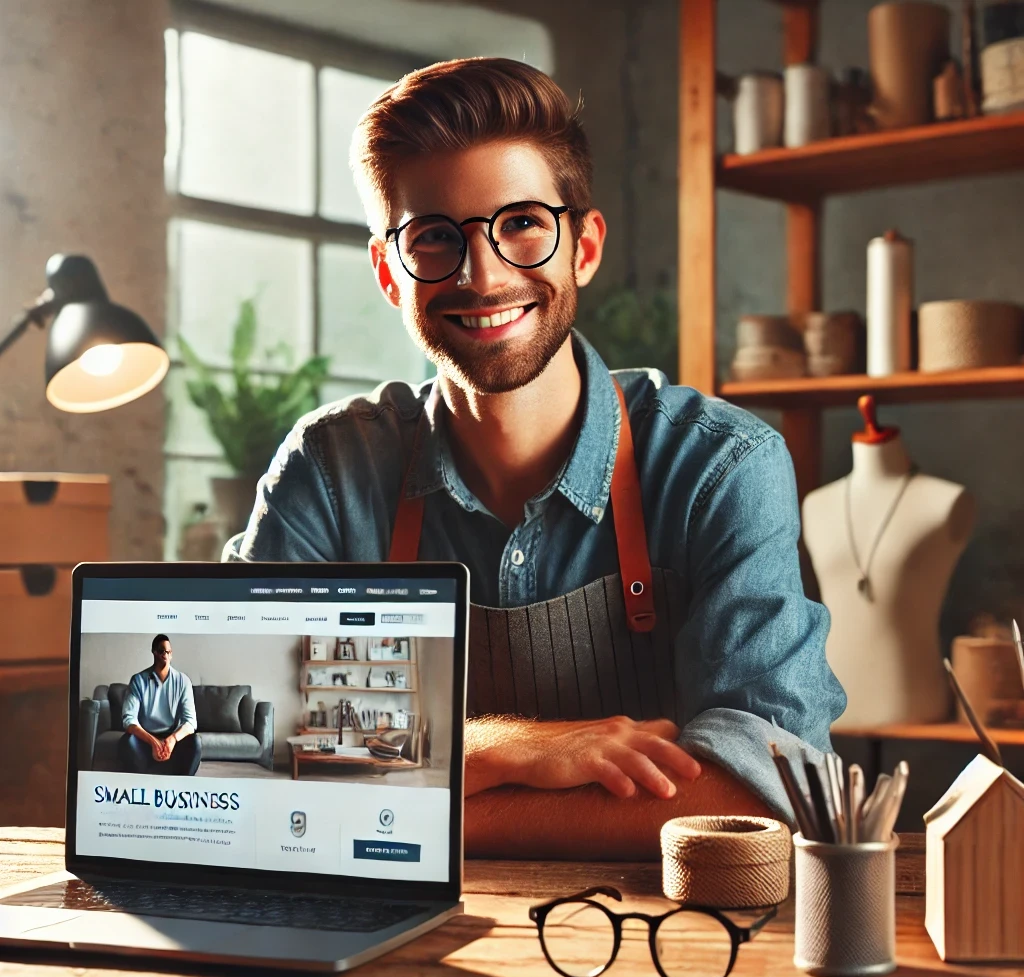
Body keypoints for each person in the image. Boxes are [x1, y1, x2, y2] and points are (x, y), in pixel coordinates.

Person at [230, 58, 846, 857]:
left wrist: (416, 797)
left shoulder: (719, 467)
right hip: (383, 938)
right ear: (390, 271)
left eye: (521, 224)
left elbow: (762, 793)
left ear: (583, 247)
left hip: (663, 942)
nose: (483, 275)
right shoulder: (329, 469)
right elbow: (253, 754)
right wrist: (506, 746)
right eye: (435, 237)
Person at [119, 635, 202, 776]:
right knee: (127, 742)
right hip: (145, 739)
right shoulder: (138, 680)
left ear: (172, 654)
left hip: (173, 740)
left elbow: (190, 722)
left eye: (168, 652)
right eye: (161, 651)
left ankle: (182, 786)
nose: (165, 655)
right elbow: (129, 719)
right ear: (154, 652)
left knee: (195, 742)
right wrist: (152, 742)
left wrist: (172, 740)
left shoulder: (183, 681)